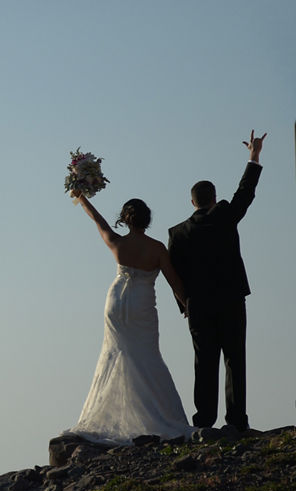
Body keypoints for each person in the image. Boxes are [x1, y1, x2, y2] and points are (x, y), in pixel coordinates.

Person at [64, 194, 195, 444]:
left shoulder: (117, 242)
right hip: (142, 302)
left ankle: (114, 414)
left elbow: (98, 220)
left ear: (125, 219)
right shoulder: (157, 248)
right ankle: (159, 415)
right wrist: (187, 304)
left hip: (115, 302)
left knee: (115, 353)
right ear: (147, 220)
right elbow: (174, 281)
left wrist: (81, 197)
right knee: (147, 355)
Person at [167, 130, 266, 432]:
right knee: (235, 359)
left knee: (204, 363)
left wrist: (184, 304)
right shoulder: (225, 215)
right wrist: (254, 157)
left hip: (197, 305)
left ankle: (204, 421)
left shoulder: (178, 233)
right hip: (231, 299)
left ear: (191, 200)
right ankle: (236, 421)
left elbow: (174, 273)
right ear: (214, 197)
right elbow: (245, 192)